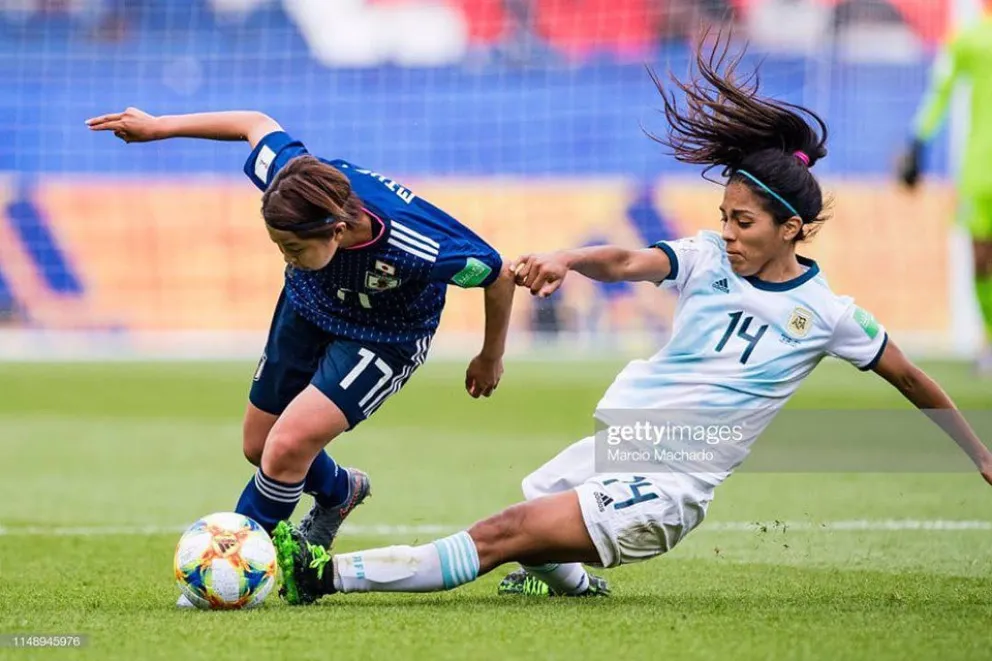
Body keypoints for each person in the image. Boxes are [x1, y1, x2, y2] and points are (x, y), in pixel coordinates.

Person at [270, 33, 992, 605]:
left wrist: (980, 453)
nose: (729, 232)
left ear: (792, 228)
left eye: (744, 222)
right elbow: (626, 260)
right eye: (724, 217)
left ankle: (326, 574)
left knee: (505, 533)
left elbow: (910, 376)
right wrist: (564, 256)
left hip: (671, 484)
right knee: (535, 505)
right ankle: (576, 585)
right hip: (625, 445)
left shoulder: (828, 314)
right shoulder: (709, 258)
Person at [85, 108, 515, 605]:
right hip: (308, 307)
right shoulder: (295, 181)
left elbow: (496, 272)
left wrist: (490, 355)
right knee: (259, 443)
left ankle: (228, 572)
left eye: (292, 246)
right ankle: (339, 492)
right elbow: (254, 123)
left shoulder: (417, 243)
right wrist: (161, 128)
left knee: (287, 447)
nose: (284, 254)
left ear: (336, 230)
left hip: (384, 337)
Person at [898, 3, 992, 374]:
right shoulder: (970, 38)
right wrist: (917, 143)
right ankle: (989, 338)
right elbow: (942, 89)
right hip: (979, 171)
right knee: (981, 261)